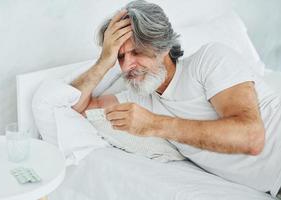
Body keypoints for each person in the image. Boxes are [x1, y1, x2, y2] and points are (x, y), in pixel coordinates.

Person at [37, 0, 281, 198]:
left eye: (136, 52)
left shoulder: (208, 61)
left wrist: (154, 124)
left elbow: (251, 137)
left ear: (163, 45)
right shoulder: (140, 98)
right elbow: (76, 107)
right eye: (120, 57)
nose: (126, 66)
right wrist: (104, 60)